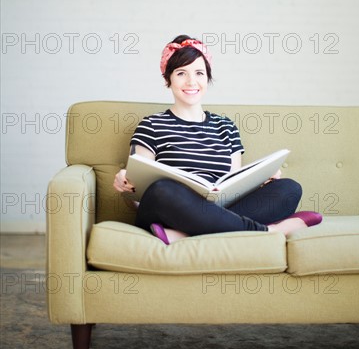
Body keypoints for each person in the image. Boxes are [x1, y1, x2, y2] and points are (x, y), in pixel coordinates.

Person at [113, 34, 322, 245]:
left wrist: (260, 182)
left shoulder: (226, 127)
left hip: (218, 210)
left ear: (207, 78)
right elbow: (139, 197)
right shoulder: (151, 125)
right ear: (168, 79)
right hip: (166, 209)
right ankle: (266, 230)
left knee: (289, 188)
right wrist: (127, 184)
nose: (191, 81)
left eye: (199, 73)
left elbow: (232, 187)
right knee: (162, 190)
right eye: (181, 73)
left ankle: (185, 235)